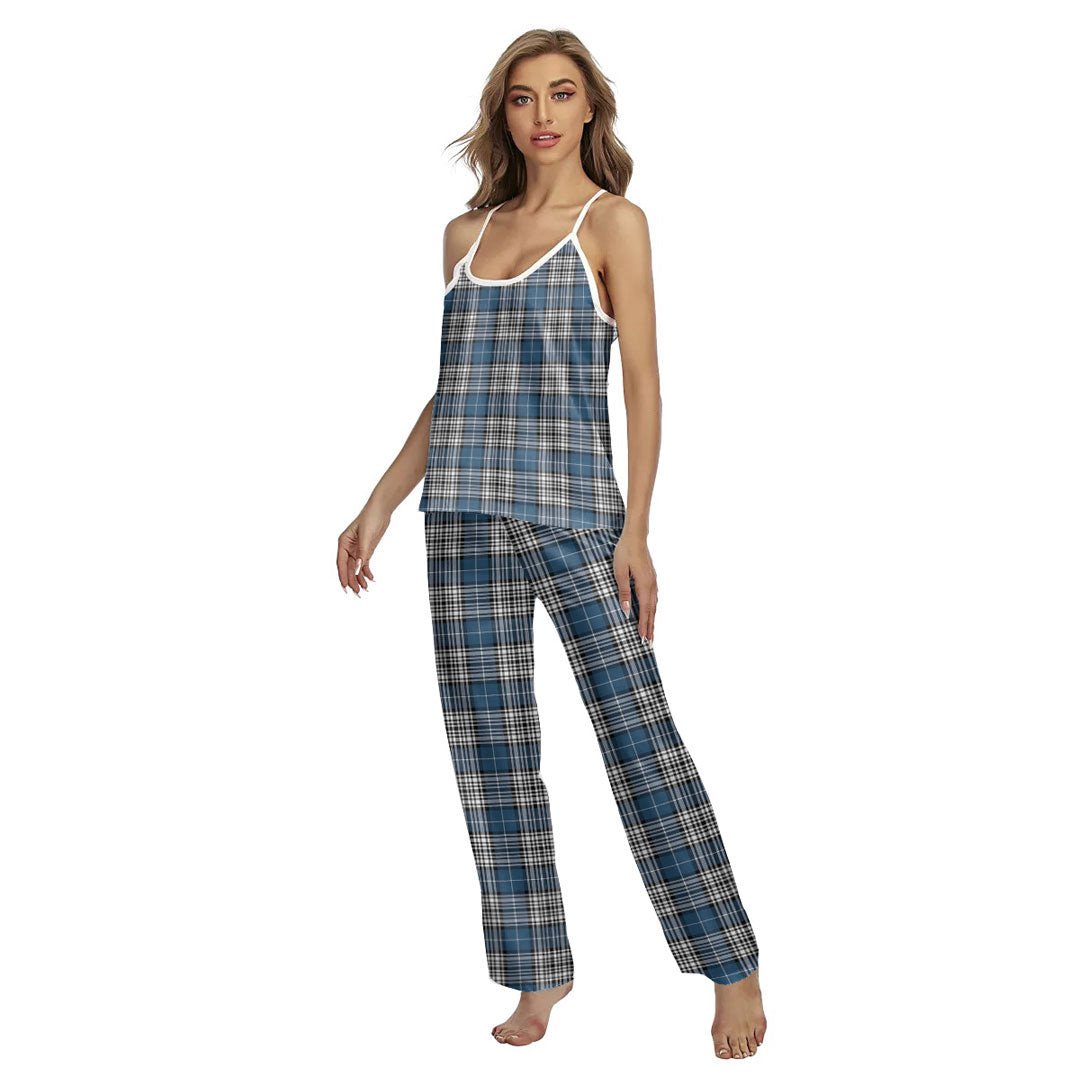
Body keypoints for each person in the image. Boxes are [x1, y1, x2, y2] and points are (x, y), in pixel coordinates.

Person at [336, 29, 767, 1060]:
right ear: (506, 112)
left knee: (640, 741)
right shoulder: (464, 234)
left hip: (576, 516)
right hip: (462, 520)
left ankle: (732, 965)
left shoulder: (612, 223)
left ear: (589, 109)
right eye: (524, 97)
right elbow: (456, 393)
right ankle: (539, 969)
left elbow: (644, 384)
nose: (542, 114)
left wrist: (638, 528)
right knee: (492, 756)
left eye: (562, 94)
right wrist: (381, 501)